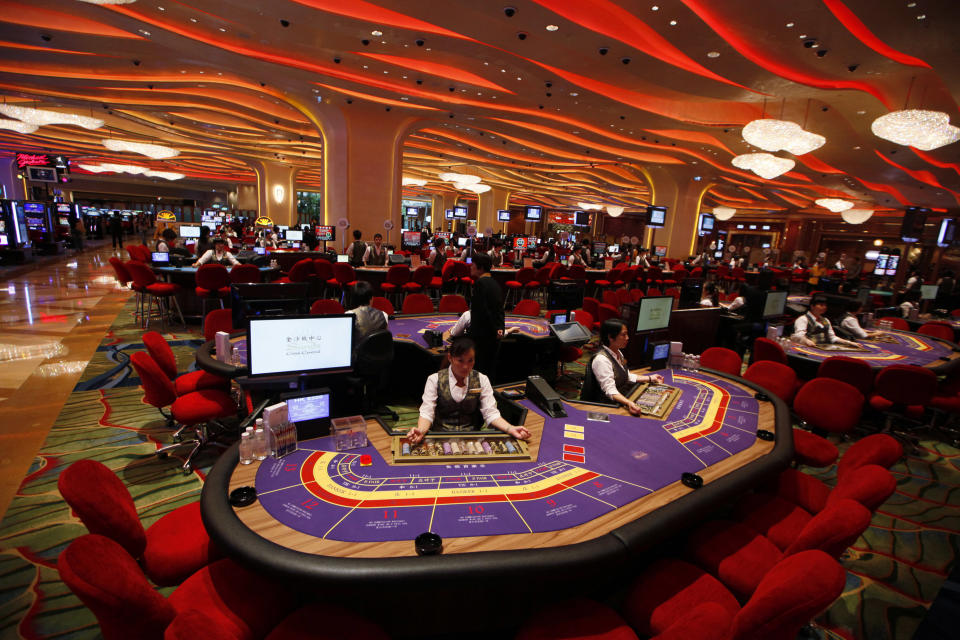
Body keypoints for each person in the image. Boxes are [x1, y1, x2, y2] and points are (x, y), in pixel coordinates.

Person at [406, 337, 531, 444]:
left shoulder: (482, 379)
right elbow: (427, 413)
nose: (466, 366)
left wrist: (510, 428)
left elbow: (490, 413)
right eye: (460, 361)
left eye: (470, 360)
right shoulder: (434, 380)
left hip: (473, 440)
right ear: (450, 358)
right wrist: (421, 430)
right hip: (440, 439)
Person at [580, 319, 664, 414]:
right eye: (623, 335)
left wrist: (649, 378)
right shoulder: (601, 360)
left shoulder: (617, 352)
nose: (627, 338)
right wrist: (628, 403)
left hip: (618, 398)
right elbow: (610, 390)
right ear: (611, 337)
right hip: (603, 406)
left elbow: (625, 375)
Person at [468, 253, 504, 378]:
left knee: (480, 371)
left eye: (472, 265)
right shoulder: (495, 283)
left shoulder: (480, 284)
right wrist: (500, 329)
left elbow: (481, 312)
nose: (470, 267)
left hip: (482, 336)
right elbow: (500, 310)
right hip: (493, 335)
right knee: (490, 370)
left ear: (480, 268)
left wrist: (470, 335)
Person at [791, 298, 858, 347]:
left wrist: (849, 342)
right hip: (809, 347)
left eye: (825, 305)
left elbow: (832, 337)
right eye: (821, 305)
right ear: (812, 306)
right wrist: (806, 341)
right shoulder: (803, 319)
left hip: (824, 348)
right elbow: (799, 336)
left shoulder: (825, 320)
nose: (824, 307)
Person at [347, 281, 388, 349]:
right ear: (371, 298)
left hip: (358, 358)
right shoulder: (384, 314)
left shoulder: (349, 315)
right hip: (380, 357)